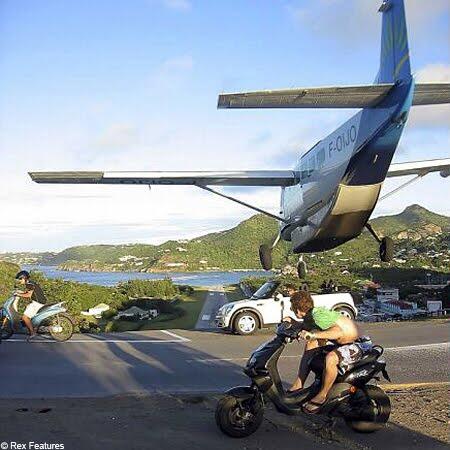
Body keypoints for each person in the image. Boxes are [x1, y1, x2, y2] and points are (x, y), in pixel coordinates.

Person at [287, 290, 366, 414]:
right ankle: (299, 383)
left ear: (297, 309)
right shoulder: (311, 315)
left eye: (292, 307)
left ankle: (322, 396)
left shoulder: (318, 316)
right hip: (341, 343)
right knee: (311, 344)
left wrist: (312, 335)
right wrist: (292, 323)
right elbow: (306, 328)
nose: (291, 309)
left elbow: (337, 332)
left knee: (331, 358)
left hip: (358, 344)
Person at [14, 270, 47, 340]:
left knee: (24, 317)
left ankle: (32, 333)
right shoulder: (30, 283)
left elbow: (28, 295)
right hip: (38, 302)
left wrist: (18, 294)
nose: (19, 281)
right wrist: (20, 292)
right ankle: (33, 327)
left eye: (20, 279)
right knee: (28, 308)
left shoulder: (29, 284)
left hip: (38, 303)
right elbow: (28, 292)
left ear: (24, 278)